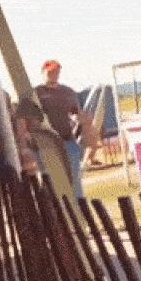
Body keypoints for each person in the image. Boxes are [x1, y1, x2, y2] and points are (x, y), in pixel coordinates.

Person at [34, 59, 88, 198]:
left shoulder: (68, 92)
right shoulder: (37, 93)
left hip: (67, 142)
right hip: (46, 145)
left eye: (56, 71)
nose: (54, 74)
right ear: (43, 73)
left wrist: (83, 124)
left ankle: (79, 213)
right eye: (50, 72)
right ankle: (56, 215)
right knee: (50, 183)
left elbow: (78, 114)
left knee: (74, 182)